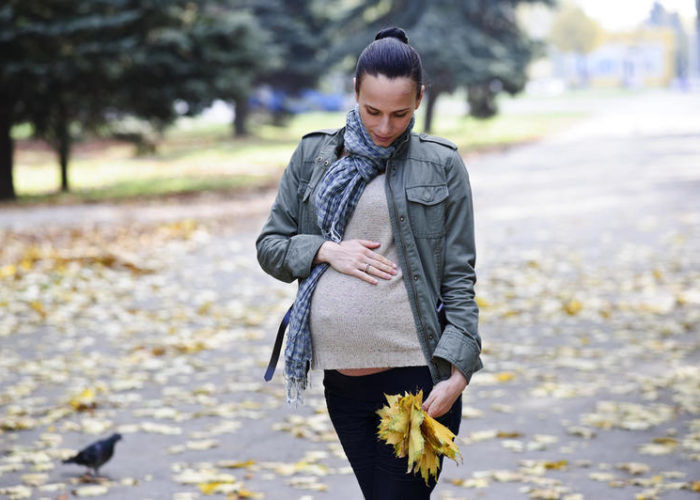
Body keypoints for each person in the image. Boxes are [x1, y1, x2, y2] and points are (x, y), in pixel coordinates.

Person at [256, 26, 483, 499]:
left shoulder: (440, 164)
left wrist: (459, 368)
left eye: (400, 113)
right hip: (343, 384)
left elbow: (459, 275)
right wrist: (325, 249)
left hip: (418, 379)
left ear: (420, 98)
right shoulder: (313, 155)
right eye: (372, 110)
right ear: (354, 93)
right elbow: (272, 246)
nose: (384, 127)